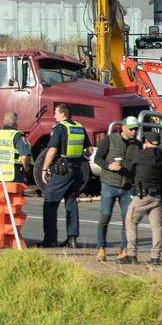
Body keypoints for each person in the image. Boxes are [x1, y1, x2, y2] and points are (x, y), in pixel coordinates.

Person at [40, 103, 92, 248]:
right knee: (71, 202)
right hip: (77, 171)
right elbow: (89, 151)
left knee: (50, 202)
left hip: (61, 171)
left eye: (56, 113)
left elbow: (52, 150)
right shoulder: (79, 126)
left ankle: (50, 240)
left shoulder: (59, 128)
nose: (54, 115)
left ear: (63, 114)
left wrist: (44, 170)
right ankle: (72, 239)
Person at [92, 116, 140, 261]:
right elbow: (97, 158)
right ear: (124, 128)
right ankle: (101, 248)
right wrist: (109, 166)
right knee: (105, 215)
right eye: (132, 129)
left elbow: (138, 165)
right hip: (109, 184)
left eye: (136, 129)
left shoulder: (137, 144)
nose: (134, 131)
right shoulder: (110, 139)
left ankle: (123, 249)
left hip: (127, 186)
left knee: (128, 219)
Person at [123, 130, 162, 265]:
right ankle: (155, 257)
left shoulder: (140, 155)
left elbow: (130, 169)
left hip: (142, 196)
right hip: (157, 196)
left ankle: (131, 254)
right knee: (156, 227)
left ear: (146, 142)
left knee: (130, 222)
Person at [0, 112, 31, 183]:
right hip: (14, 176)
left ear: (3, 122)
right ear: (16, 123)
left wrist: (0, 163)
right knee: (15, 194)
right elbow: (24, 157)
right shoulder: (17, 136)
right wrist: (26, 169)